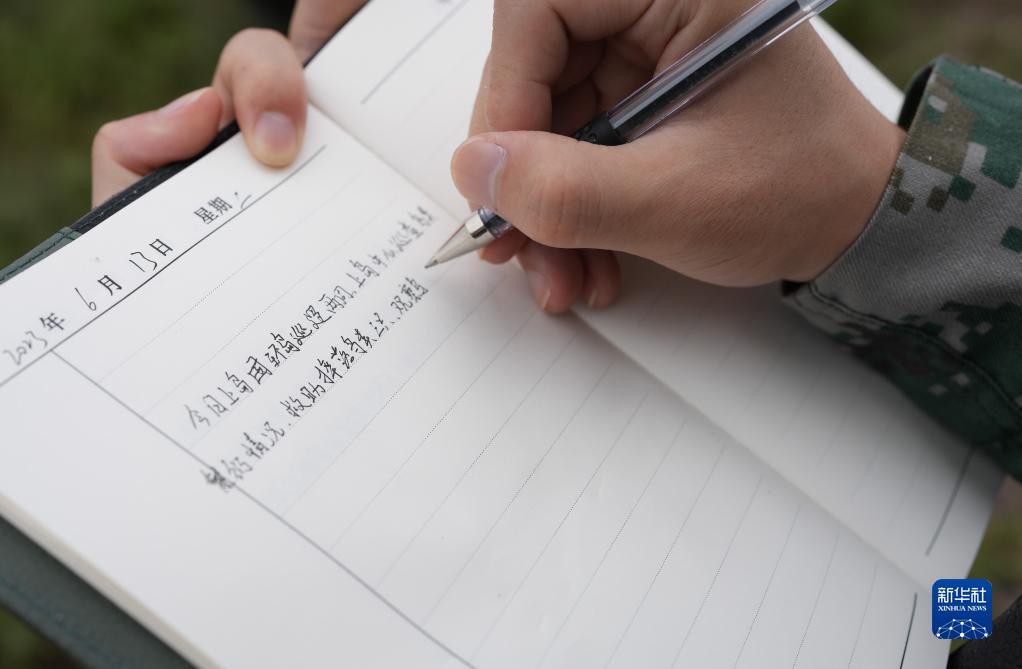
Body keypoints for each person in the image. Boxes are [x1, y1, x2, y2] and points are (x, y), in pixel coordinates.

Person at [87, 0, 1022, 661]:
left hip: (941, 602)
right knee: (956, 613)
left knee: (949, 615)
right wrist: (870, 193)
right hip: (955, 606)